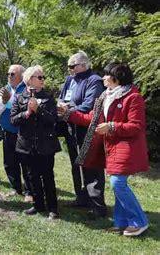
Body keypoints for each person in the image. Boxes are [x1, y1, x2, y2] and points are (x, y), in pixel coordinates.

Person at [60, 63, 149, 236]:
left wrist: (112, 126)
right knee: (117, 186)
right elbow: (90, 119)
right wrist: (68, 113)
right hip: (112, 147)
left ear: (117, 78)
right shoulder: (104, 96)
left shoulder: (133, 97)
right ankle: (121, 222)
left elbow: (136, 126)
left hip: (127, 147)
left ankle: (140, 221)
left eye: (107, 75)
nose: (103, 78)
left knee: (118, 183)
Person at [58, 51, 107, 218]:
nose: (70, 69)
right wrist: (62, 106)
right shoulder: (70, 80)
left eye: (73, 66)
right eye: (69, 66)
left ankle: (97, 205)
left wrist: (68, 108)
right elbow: (61, 98)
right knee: (76, 165)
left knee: (91, 167)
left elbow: (88, 105)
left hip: (87, 130)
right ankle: (81, 198)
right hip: (71, 127)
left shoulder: (94, 81)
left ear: (84, 65)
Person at [11, 65, 61, 220]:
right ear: (30, 80)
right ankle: (38, 204)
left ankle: (52, 208)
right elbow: (13, 119)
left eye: (43, 77)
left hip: (45, 145)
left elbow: (53, 120)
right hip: (26, 145)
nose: (43, 80)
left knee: (47, 176)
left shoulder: (48, 98)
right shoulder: (20, 97)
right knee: (32, 176)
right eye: (40, 77)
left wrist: (39, 109)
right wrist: (26, 113)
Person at [0, 64, 33, 202]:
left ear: (22, 76)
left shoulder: (27, 88)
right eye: (8, 74)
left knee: (26, 163)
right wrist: (5, 100)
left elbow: (23, 105)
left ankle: (30, 192)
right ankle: (16, 188)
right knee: (10, 162)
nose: (9, 76)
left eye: (12, 74)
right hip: (8, 131)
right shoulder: (6, 88)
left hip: (23, 132)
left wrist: (9, 99)